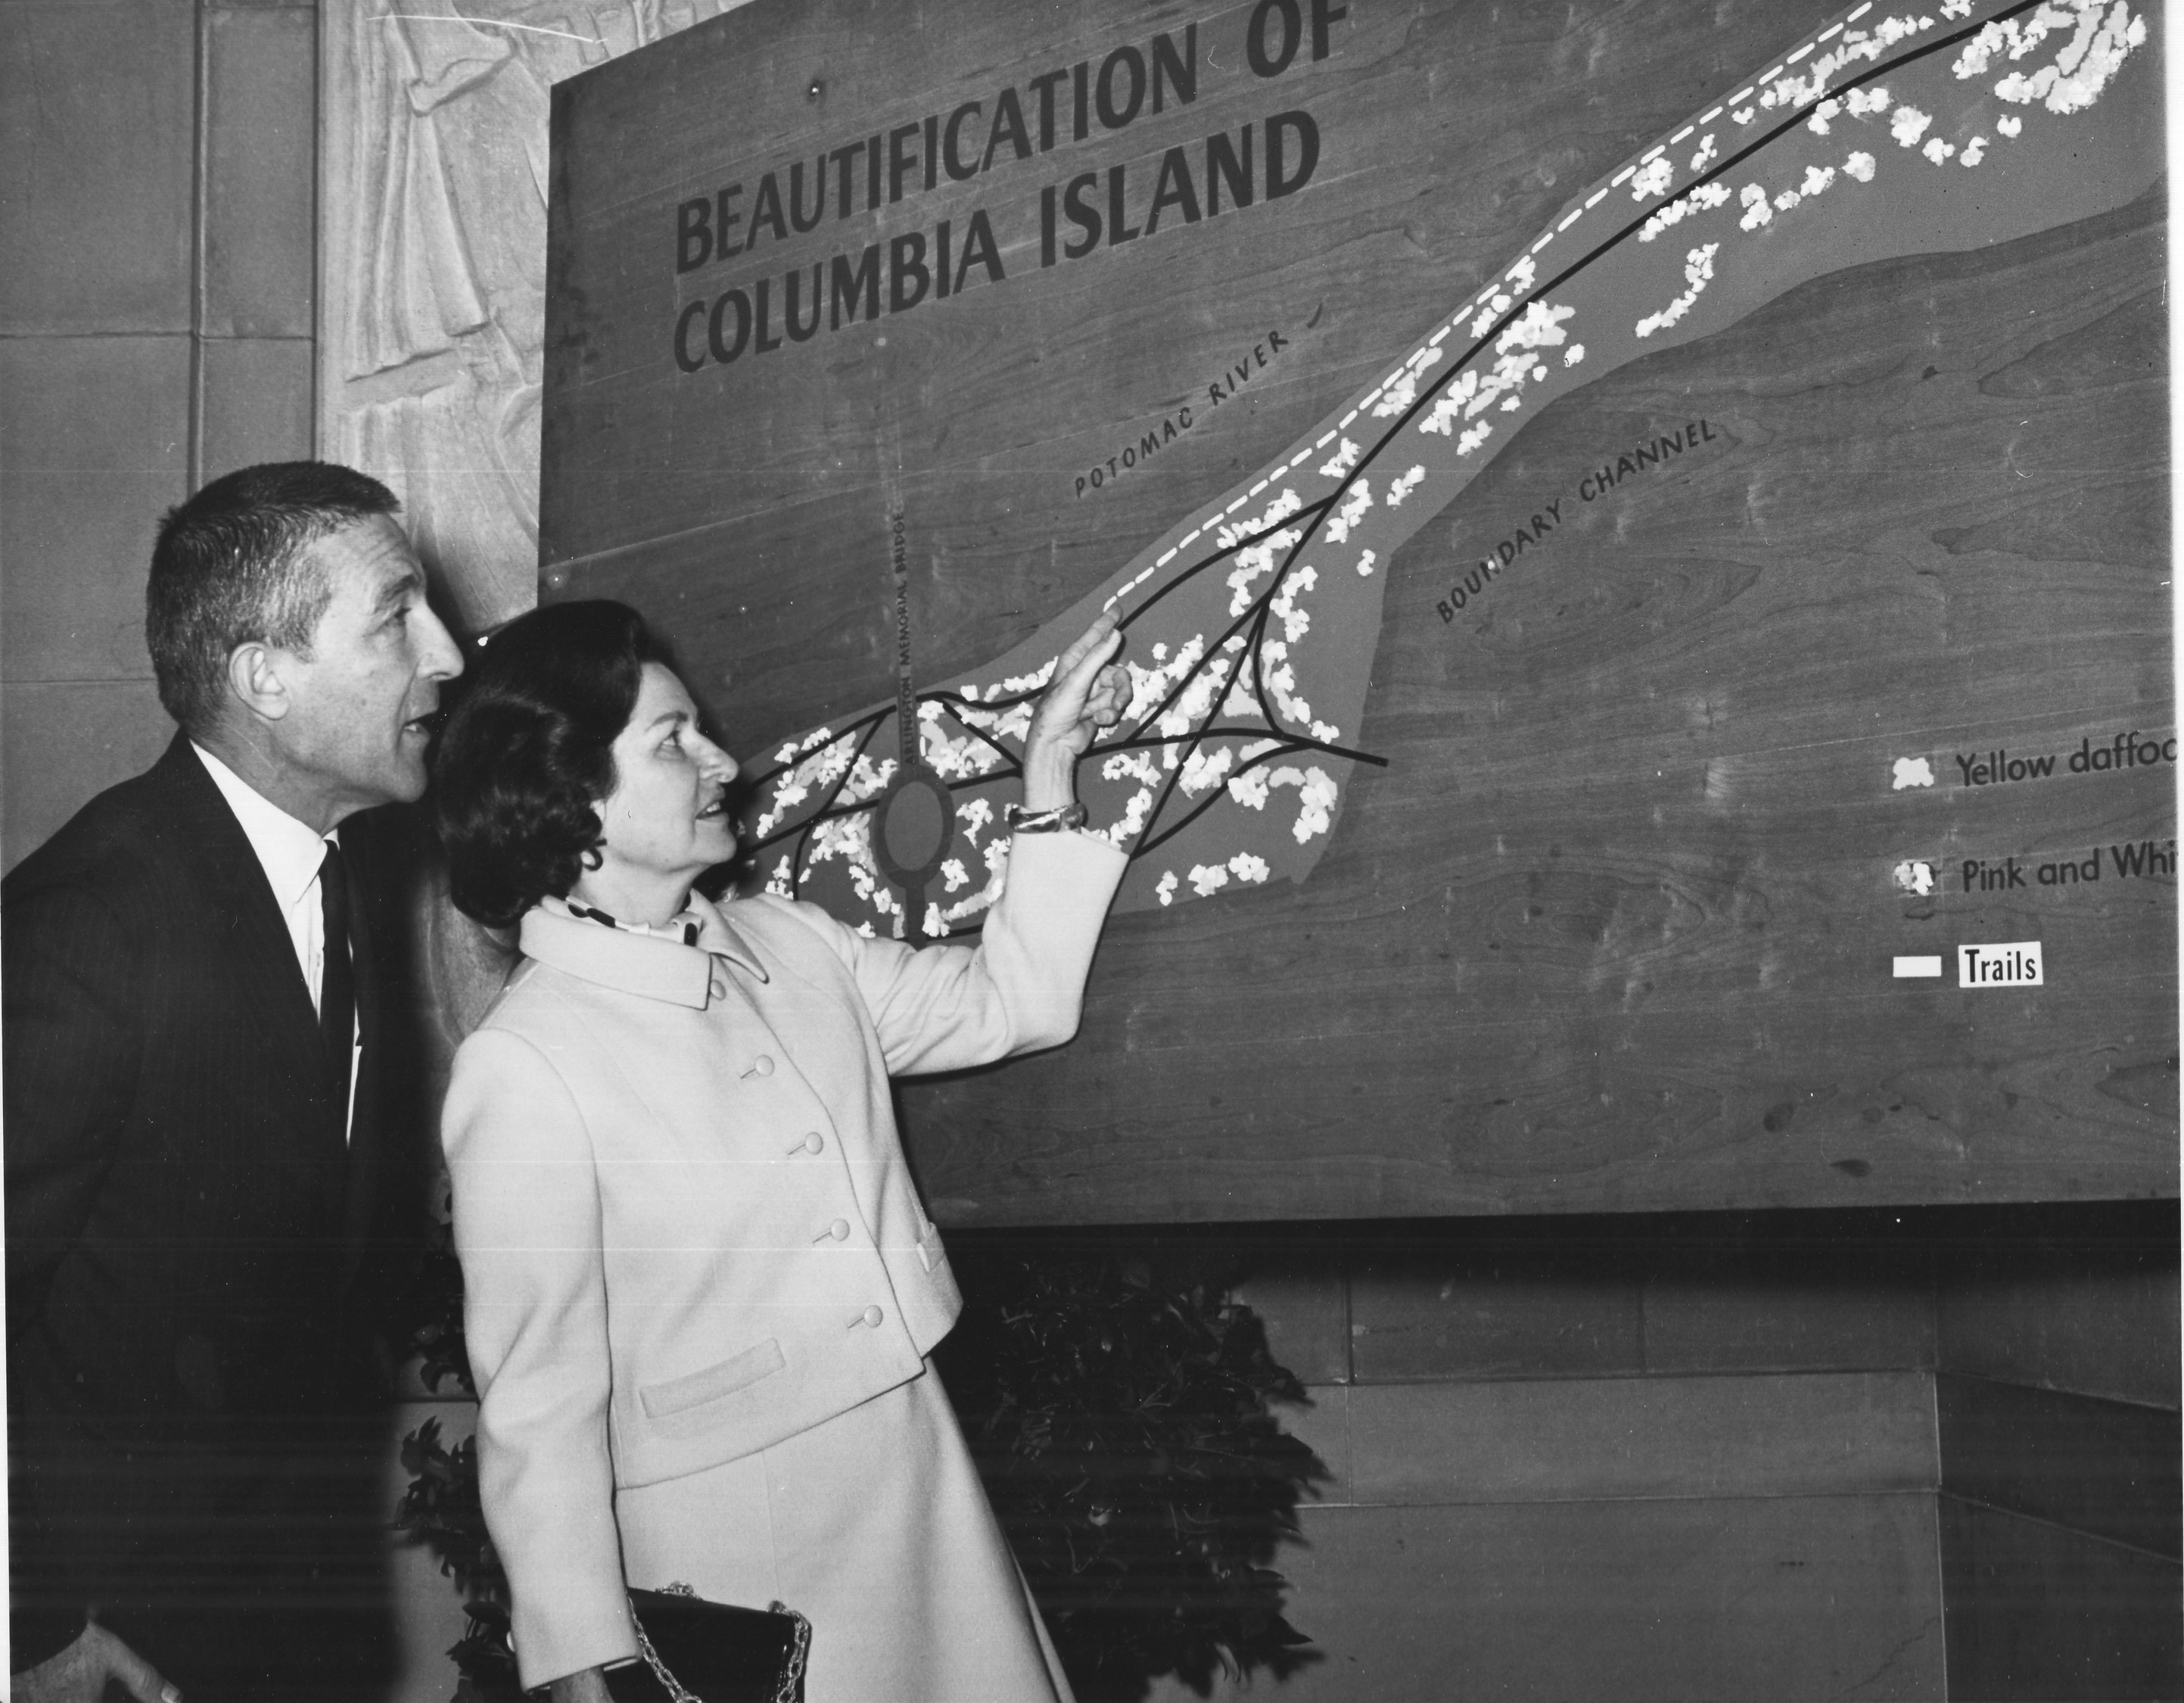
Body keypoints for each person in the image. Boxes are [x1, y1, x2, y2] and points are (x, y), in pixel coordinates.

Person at [432, 599, 1131, 1701]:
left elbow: (1013, 1001)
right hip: (739, 1563)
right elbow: (538, 1400)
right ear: (570, 796)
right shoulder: (524, 1064)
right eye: (673, 739)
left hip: (918, 1480)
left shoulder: (791, 943)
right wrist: (582, 1660)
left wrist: (1048, 781)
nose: (722, 760)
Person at [5, 462, 466, 1701]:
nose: (448, 653)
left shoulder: (336, 879)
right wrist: (31, 1629)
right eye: (397, 614)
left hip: (286, 1611)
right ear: (267, 676)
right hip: (122, 1638)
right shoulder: (85, 922)